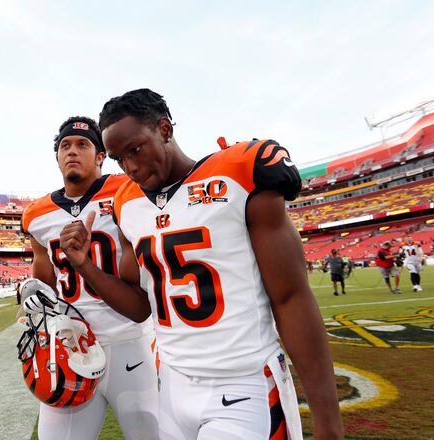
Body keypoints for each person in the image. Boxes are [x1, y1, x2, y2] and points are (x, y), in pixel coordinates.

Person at [60, 89, 341, 439]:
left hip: (245, 382)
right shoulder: (127, 204)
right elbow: (139, 307)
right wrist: (86, 267)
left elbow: (292, 298)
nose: (130, 167)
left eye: (135, 150)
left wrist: (328, 421)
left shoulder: (238, 176)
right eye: (119, 159)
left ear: (164, 130)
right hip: (172, 386)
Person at [22, 115, 158, 440]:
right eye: (65, 145)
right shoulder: (36, 215)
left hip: (131, 340)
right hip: (73, 349)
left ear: (100, 156)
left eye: (83, 144)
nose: (72, 151)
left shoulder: (128, 191)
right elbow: (46, 285)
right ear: (56, 157)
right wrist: (34, 295)